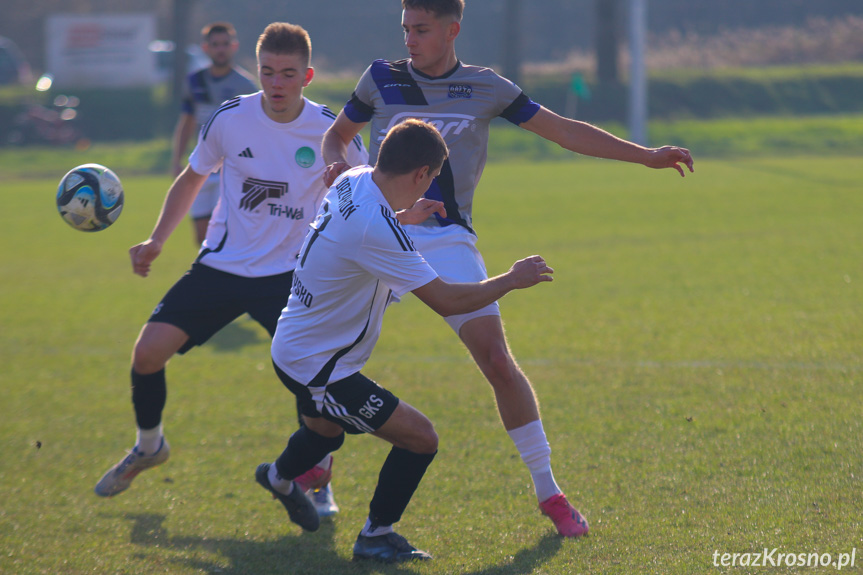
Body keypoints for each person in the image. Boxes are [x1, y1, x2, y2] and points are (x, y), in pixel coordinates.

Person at [321, 0, 695, 538]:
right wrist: (342, 165)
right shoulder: (380, 78)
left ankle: (549, 491)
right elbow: (338, 134)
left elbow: (564, 131)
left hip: (447, 237)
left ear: (452, 29)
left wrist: (645, 155)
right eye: (405, 28)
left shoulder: (487, 87)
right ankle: (315, 458)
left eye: (421, 29)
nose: (410, 39)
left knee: (497, 358)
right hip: (380, 232)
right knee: (328, 355)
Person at [94, 23, 368, 516]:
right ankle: (151, 444)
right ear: (257, 71)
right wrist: (157, 239)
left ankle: (316, 475)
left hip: (292, 274)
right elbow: (192, 176)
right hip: (223, 264)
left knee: (311, 382)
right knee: (147, 354)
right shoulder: (230, 118)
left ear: (306, 75)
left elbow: (364, 197)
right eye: (267, 72)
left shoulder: (331, 130)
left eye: (288, 74)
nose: (276, 84)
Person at [257, 118, 555, 563]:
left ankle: (278, 478)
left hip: (293, 343)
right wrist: (511, 279)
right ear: (421, 174)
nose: (430, 183)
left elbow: (357, 233)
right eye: (433, 176)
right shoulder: (376, 231)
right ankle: (376, 534)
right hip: (320, 366)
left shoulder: (355, 179)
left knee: (326, 432)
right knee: (420, 438)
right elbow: (450, 300)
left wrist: (403, 218)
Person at [170, 22, 257, 245]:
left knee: (223, 236)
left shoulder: (245, 86)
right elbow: (187, 121)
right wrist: (177, 159)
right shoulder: (194, 81)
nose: (221, 49)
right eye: (215, 44)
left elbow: (255, 131)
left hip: (231, 170)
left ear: (234, 46)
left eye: (225, 44)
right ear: (206, 48)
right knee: (201, 239)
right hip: (201, 167)